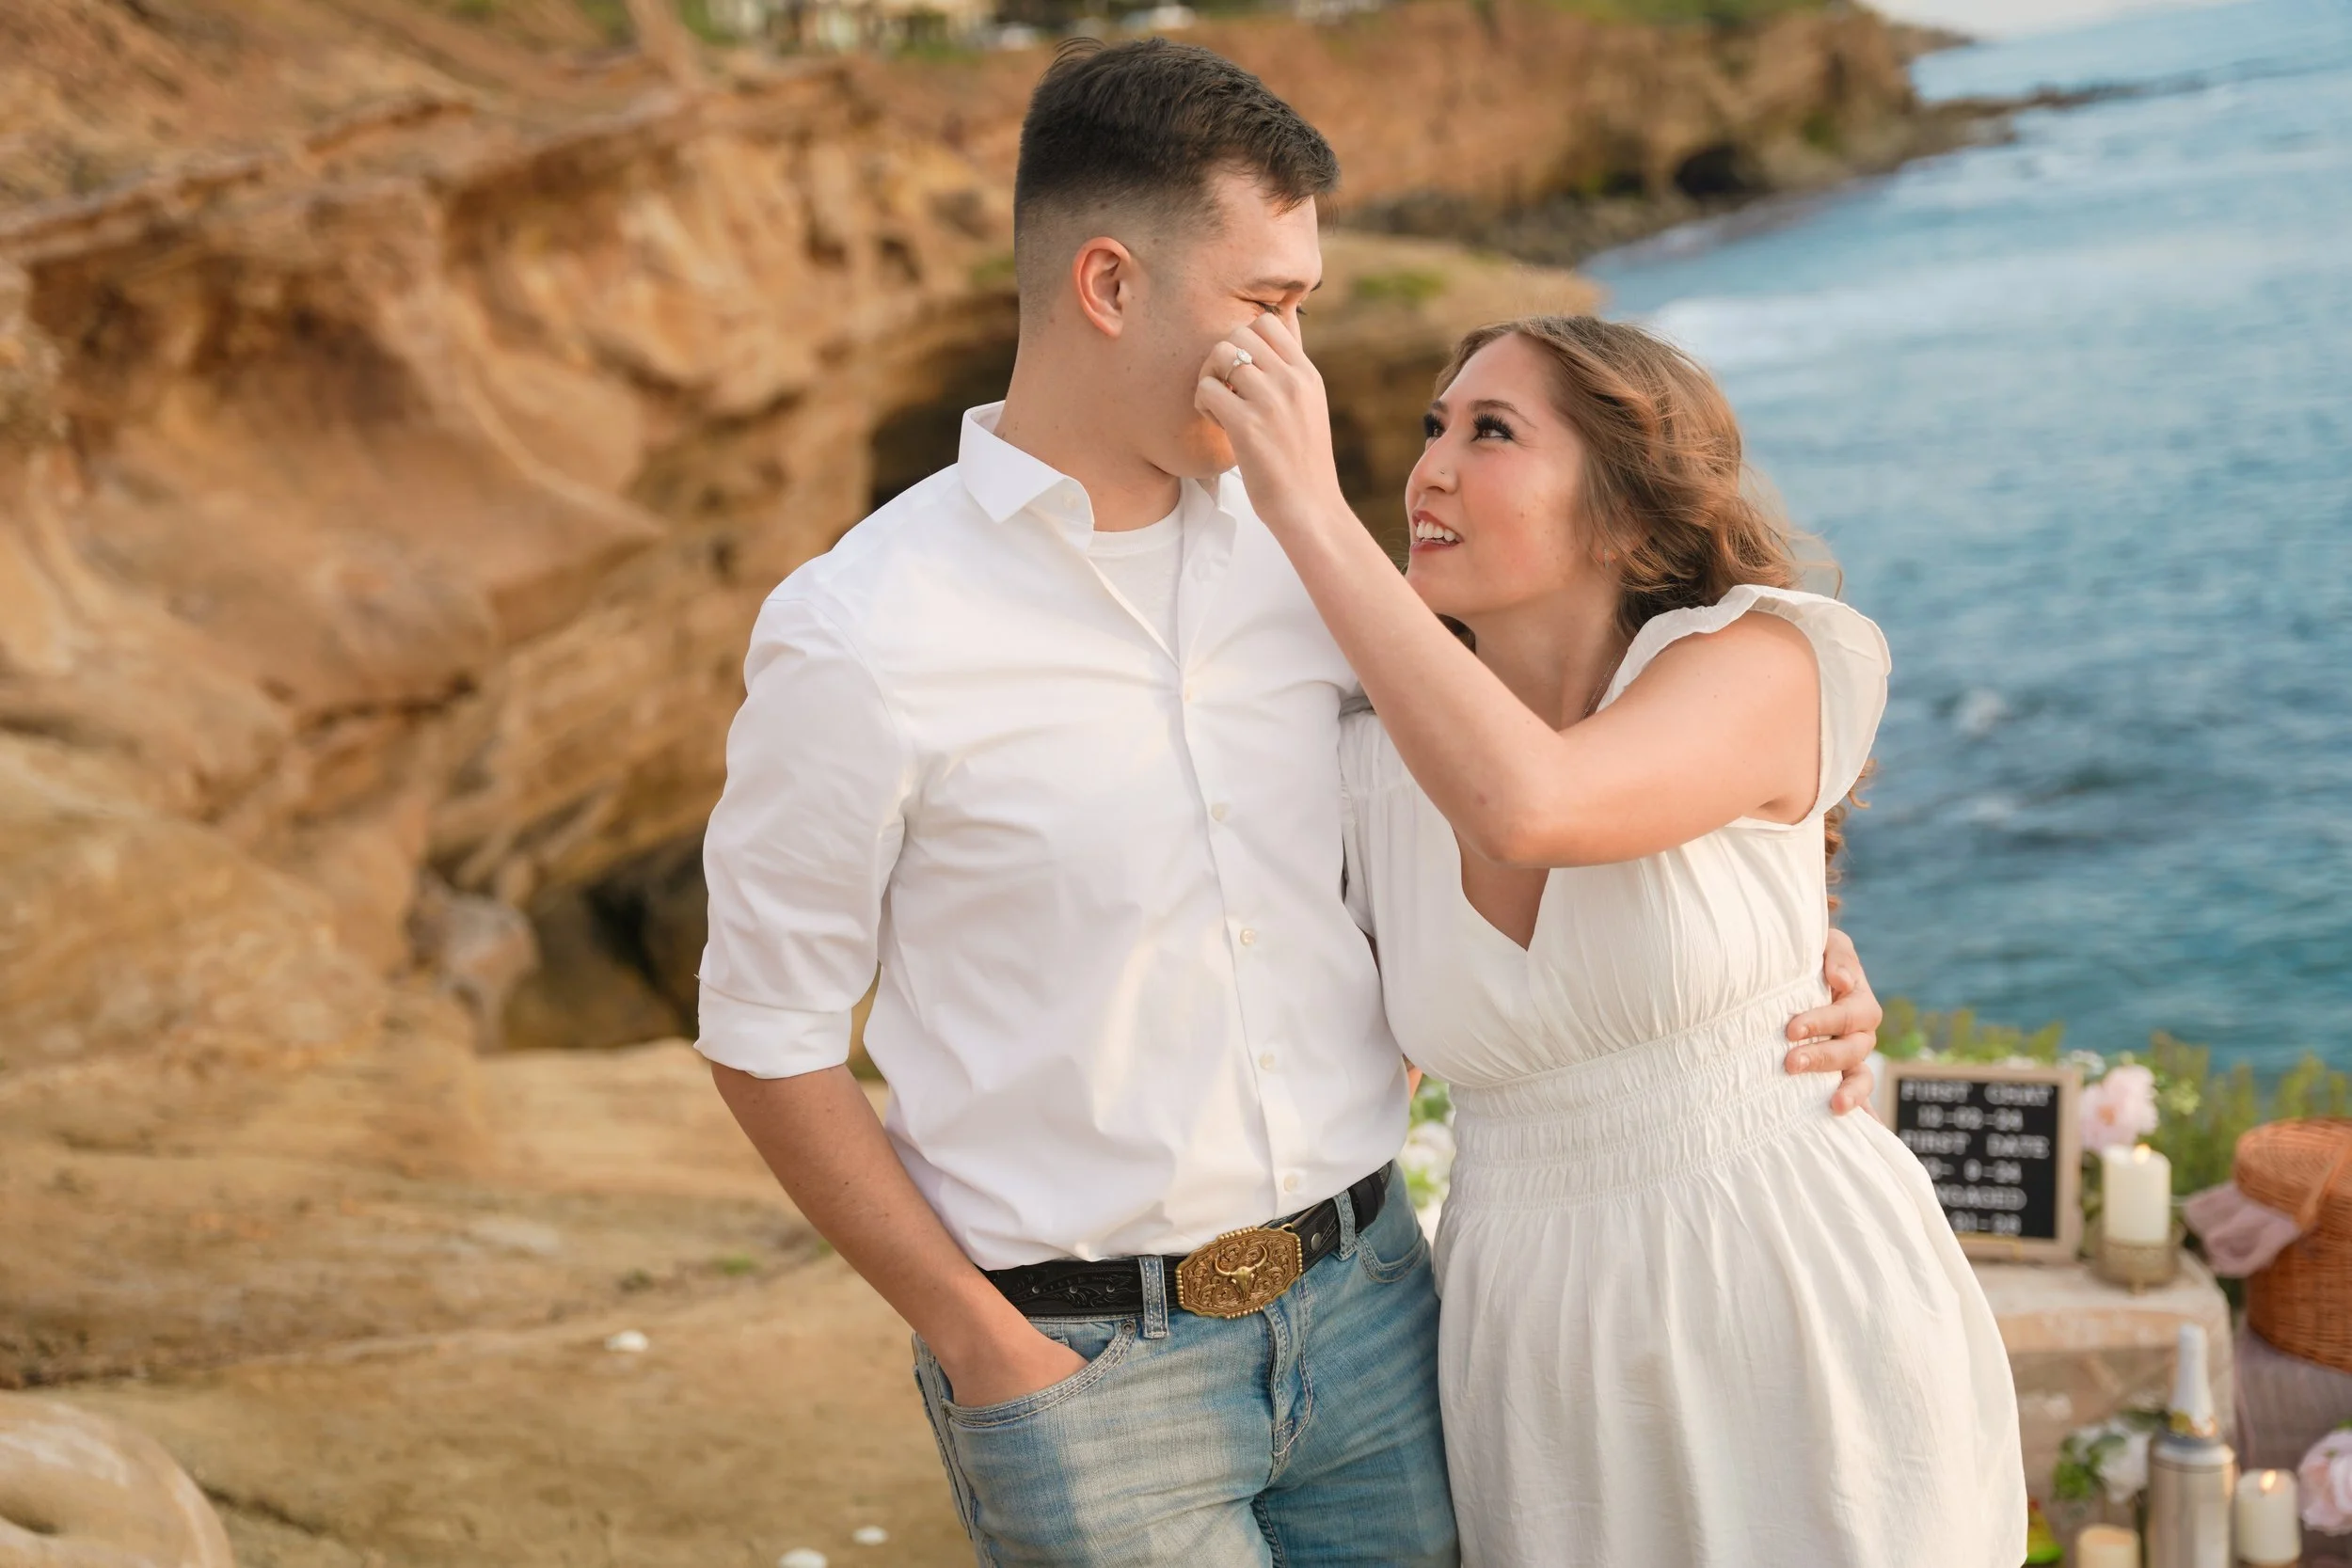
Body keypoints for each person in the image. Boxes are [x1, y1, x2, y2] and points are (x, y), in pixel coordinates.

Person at [693, 39, 1887, 1568]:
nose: (1297, 358)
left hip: (1383, 1313)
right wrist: (983, 1344)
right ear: (1109, 286)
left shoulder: (1326, 573)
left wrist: (1798, 959)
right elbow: (766, 1032)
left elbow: (1582, 780)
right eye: (1267, 304)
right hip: (1089, 1373)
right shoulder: (862, 630)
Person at [1195, 309, 2028, 1566]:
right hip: (1526, 1328)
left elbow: (1539, 807)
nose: (1429, 466)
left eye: (1491, 431)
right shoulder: (1362, 765)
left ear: (1627, 519)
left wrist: (1304, 506)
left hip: (1780, 1279)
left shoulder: (1762, 658)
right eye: (1432, 428)